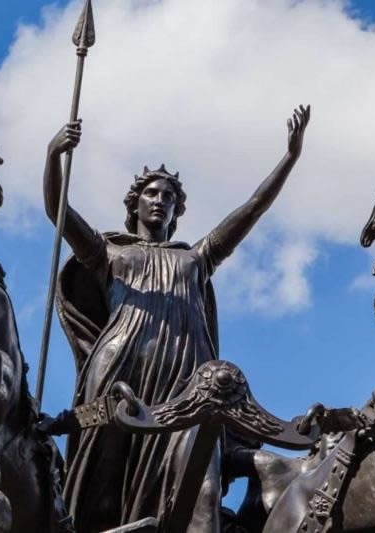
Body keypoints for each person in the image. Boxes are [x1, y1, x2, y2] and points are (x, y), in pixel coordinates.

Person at [43, 105, 310, 532]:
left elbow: (252, 210)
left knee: (196, 478)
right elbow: (58, 211)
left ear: (176, 211)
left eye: (169, 197)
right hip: (119, 377)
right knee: (102, 488)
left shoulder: (196, 258)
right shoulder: (110, 254)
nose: (161, 201)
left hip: (188, 381)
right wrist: (53, 154)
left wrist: (290, 158)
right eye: (152, 193)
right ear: (135, 203)